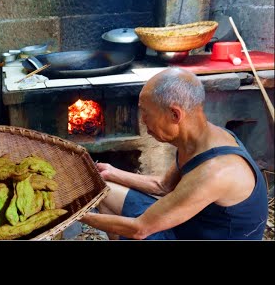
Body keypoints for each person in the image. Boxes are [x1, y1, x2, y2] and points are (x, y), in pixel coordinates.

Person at [80, 67, 269, 240]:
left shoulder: (215, 171)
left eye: (146, 113)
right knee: (102, 190)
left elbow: (140, 229)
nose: (143, 121)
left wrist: (74, 214)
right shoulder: (199, 139)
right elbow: (163, 186)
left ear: (175, 115)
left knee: (127, 225)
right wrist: (111, 172)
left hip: (188, 234)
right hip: (186, 228)